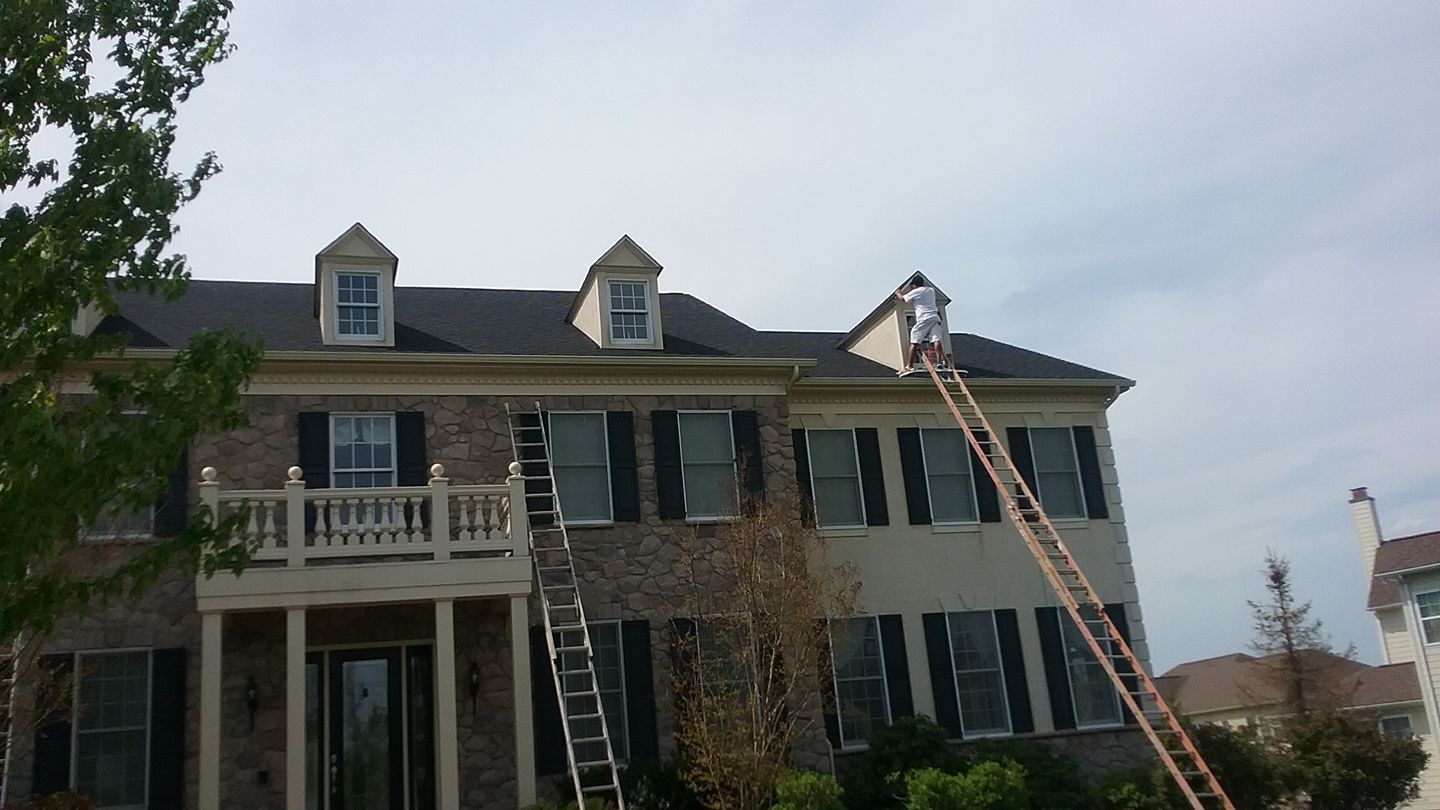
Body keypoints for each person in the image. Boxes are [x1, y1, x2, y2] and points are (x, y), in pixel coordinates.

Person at [895, 272, 946, 375]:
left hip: (924, 318)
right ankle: (940, 362)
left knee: (914, 340)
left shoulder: (917, 291)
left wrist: (898, 292)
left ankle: (909, 366)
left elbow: (903, 299)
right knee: (936, 339)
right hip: (935, 317)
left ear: (914, 285)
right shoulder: (930, 290)